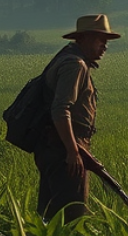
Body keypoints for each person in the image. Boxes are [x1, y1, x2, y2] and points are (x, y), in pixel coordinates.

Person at [36, 14, 120, 223]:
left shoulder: (68, 59)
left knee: (50, 215)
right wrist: (73, 152)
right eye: (101, 40)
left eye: (106, 41)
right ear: (83, 39)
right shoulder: (75, 65)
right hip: (65, 150)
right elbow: (60, 109)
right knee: (71, 216)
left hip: (57, 146)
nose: (104, 46)